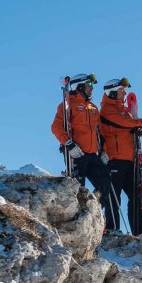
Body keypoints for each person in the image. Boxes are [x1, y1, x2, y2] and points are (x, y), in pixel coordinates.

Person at [99, 78, 142, 235]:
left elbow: (134, 125)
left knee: (136, 196)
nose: (125, 93)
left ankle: (139, 230)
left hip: (131, 159)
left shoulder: (125, 111)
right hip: (115, 159)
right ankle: (113, 228)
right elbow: (124, 124)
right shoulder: (107, 111)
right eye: (122, 90)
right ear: (112, 92)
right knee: (114, 196)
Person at [50, 73, 113, 231]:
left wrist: (104, 151)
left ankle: (94, 214)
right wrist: (69, 144)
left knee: (105, 184)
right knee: (78, 188)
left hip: (92, 154)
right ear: (79, 87)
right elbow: (56, 127)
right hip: (76, 153)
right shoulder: (67, 105)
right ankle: (77, 222)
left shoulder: (93, 108)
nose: (92, 89)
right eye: (89, 85)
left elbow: (100, 132)